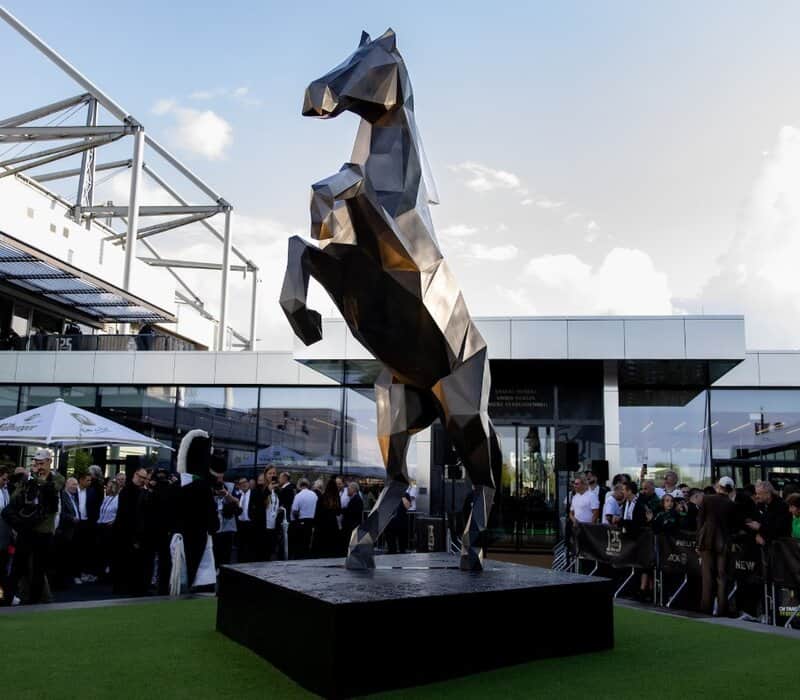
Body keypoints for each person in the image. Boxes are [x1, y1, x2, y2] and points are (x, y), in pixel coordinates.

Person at [11, 448, 64, 604]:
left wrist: (36, 480)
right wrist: (26, 481)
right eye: (37, 463)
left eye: (42, 463)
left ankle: (35, 600)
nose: (39, 466)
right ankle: (11, 596)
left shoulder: (57, 477)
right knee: (19, 565)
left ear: (49, 462)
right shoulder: (29, 478)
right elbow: (15, 498)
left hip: (45, 530)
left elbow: (52, 488)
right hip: (27, 527)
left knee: (39, 568)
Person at [697, 479, 737, 616]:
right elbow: (733, 526)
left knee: (707, 576)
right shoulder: (731, 504)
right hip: (723, 542)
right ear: (730, 489)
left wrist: (698, 542)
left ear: (719, 486)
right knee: (722, 577)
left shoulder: (707, 499)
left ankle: (706, 609)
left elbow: (700, 521)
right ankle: (722, 609)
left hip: (706, 541)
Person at [747, 480, 792, 546]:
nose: (757, 496)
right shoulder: (760, 504)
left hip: (778, 545)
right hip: (762, 543)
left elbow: (780, 530)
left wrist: (760, 528)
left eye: (759, 494)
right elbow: (756, 520)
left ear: (768, 494)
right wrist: (757, 534)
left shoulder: (782, 506)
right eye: (756, 493)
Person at [212, 480, 240, 567]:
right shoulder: (213, 498)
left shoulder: (229, 498)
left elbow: (237, 503)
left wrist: (226, 494)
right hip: (215, 531)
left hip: (227, 530)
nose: (219, 490)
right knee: (215, 556)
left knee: (226, 556)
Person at [312, 478, 342, 558]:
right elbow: (339, 512)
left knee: (323, 541)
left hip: (323, 523)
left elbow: (317, 511)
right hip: (333, 523)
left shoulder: (323, 497)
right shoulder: (337, 498)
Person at [96, 480, 119, 581]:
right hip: (101, 525)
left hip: (110, 527)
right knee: (101, 551)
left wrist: (114, 521)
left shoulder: (118, 499)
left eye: (109, 487)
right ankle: (101, 573)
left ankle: (109, 574)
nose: (107, 488)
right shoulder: (106, 498)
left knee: (108, 552)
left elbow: (119, 512)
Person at [290, 478, 317, 559]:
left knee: (300, 542)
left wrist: (296, 519)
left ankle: (300, 557)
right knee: (308, 541)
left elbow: (294, 510)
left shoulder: (298, 496)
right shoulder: (314, 495)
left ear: (299, 485)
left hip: (301, 521)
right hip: (312, 521)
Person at [234, 477, 255, 563]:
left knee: (250, 547)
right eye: (241, 483)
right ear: (239, 486)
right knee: (240, 547)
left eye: (245, 482)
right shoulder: (238, 496)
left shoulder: (254, 494)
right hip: (240, 524)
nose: (244, 484)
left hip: (251, 524)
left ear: (248, 483)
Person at [385, 490, 412, 554]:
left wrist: (402, 496)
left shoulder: (405, 494)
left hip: (401, 522)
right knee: (391, 547)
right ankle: (391, 553)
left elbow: (408, 506)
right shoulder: (388, 494)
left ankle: (401, 555)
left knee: (402, 546)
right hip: (389, 523)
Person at [0, 466, 11, 604]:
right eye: (3, 479)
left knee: (2, 567)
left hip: (4, 535)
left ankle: (1, 596)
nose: (6, 482)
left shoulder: (5, 491)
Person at [342, 481, 364, 547]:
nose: (347, 491)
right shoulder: (354, 498)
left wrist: (343, 510)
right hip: (351, 526)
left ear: (353, 489)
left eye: (348, 489)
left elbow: (352, 512)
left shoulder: (357, 499)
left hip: (352, 526)